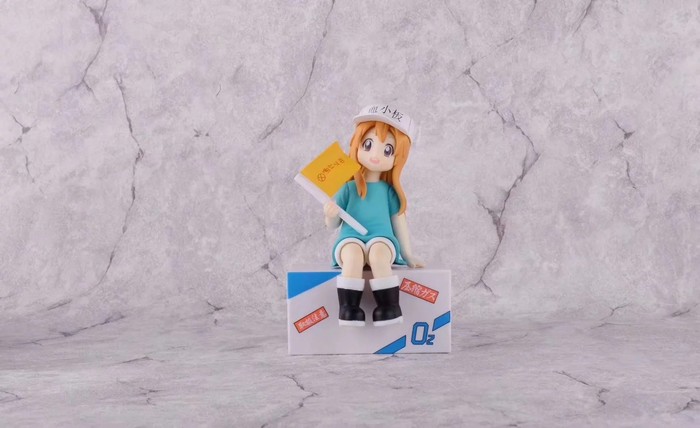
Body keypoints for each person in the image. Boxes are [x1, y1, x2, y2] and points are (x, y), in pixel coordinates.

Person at [324, 105, 424, 327]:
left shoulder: (389, 192)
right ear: (356, 144)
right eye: (368, 145)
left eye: (387, 150)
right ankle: (348, 308)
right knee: (352, 256)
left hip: (382, 238)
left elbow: (399, 221)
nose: (376, 156)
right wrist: (330, 214)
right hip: (350, 238)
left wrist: (407, 254)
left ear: (398, 158)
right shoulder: (348, 188)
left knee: (379, 255)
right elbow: (333, 224)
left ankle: (389, 307)